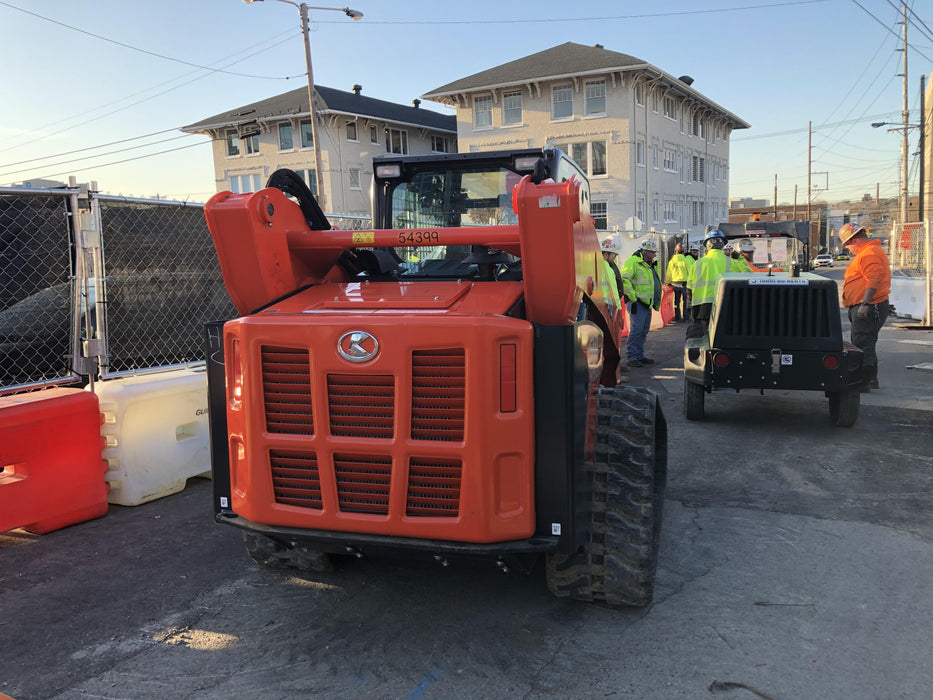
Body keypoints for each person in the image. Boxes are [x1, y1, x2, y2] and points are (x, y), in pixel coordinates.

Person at [839, 222, 891, 391]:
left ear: (855, 240)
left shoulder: (869, 253)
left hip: (869, 305)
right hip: (869, 305)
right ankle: (870, 379)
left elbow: (874, 279)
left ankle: (863, 382)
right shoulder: (868, 252)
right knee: (866, 341)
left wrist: (865, 304)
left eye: (847, 244)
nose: (847, 248)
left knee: (862, 343)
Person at [620, 238, 662, 367]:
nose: (655, 255)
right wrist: (633, 297)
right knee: (637, 330)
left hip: (645, 303)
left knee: (643, 330)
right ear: (646, 252)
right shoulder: (633, 262)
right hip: (637, 303)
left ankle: (639, 355)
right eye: (653, 252)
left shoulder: (648, 264)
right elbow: (624, 279)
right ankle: (632, 357)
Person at [686, 229, 732, 339]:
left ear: (707, 245)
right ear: (722, 245)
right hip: (724, 304)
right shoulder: (732, 263)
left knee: (700, 337)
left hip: (701, 307)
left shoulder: (697, 264)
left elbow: (689, 288)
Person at [665, 242, 690, 323]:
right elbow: (690, 271)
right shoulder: (686, 260)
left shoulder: (672, 261)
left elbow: (669, 273)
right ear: (684, 251)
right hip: (684, 283)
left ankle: (677, 317)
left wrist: (668, 282)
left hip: (675, 283)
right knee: (685, 301)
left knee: (676, 302)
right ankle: (686, 317)